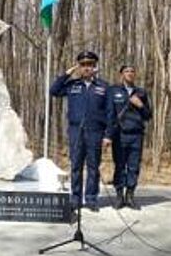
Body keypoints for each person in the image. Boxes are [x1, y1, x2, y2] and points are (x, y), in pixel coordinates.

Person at [50, 50, 111, 212]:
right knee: (76, 166)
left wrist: (108, 135)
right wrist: (68, 73)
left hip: (95, 132)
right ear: (79, 67)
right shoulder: (72, 85)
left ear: (95, 67)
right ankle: (75, 198)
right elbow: (54, 91)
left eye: (90, 65)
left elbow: (110, 113)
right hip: (76, 131)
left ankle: (91, 199)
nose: (86, 68)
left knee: (93, 166)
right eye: (83, 65)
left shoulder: (103, 87)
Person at [107, 65, 152, 210]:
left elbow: (148, 115)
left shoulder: (141, 92)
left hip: (136, 135)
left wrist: (140, 105)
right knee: (119, 166)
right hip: (119, 134)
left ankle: (130, 196)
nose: (130, 73)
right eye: (127, 71)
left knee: (133, 167)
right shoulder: (113, 91)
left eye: (132, 71)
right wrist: (108, 135)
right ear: (121, 74)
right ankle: (119, 196)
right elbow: (109, 114)